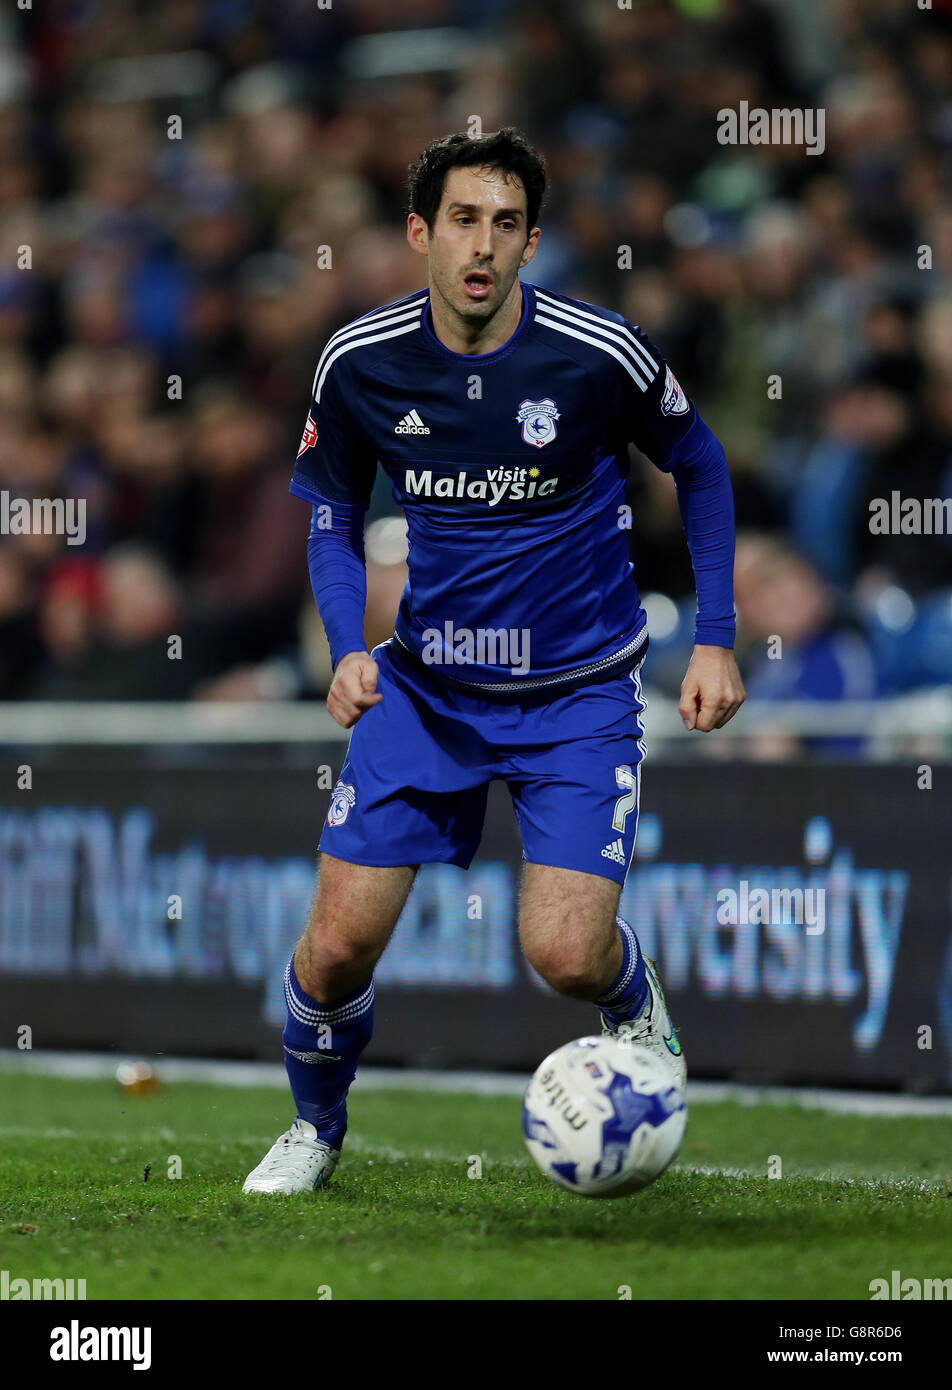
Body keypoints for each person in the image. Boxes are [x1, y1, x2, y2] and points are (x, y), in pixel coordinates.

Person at [243, 129, 744, 1195]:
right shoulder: (361, 361)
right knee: (333, 951)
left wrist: (715, 634)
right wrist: (344, 651)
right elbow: (332, 512)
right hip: (425, 689)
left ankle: (635, 1005)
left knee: (565, 955)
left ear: (530, 241)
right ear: (420, 233)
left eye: (505, 223)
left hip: (577, 695)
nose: (482, 244)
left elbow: (697, 462)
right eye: (462, 220)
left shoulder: (596, 353)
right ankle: (314, 1130)